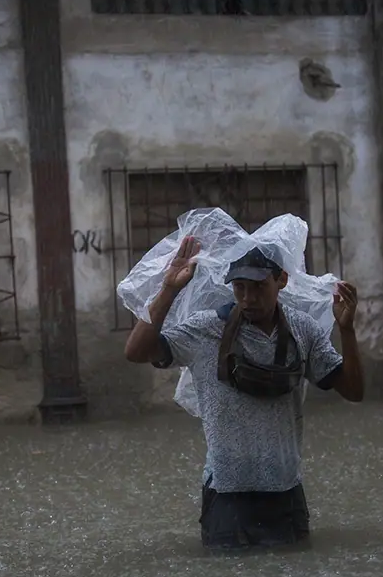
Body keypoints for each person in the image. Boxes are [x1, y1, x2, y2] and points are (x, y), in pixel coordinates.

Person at [124, 235, 364, 550]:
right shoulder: (207, 329)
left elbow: (354, 391)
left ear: (281, 280)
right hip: (226, 496)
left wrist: (346, 330)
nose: (248, 298)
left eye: (258, 287)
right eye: (240, 288)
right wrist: (170, 287)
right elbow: (136, 351)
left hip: (285, 493)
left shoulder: (303, 331)